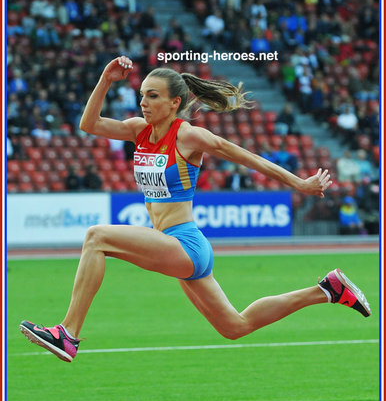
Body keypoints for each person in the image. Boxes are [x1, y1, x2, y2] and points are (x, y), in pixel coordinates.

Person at [20, 55, 371, 362]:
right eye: (141, 94)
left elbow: (245, 156)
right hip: (174, 246)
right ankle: (328, 289)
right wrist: (105, 80)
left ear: (175, 103)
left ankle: (68, 333)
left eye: (152, 96)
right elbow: (88, 125)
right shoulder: (138, 130)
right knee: (236, 326)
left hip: (184, 244)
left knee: (97, 237)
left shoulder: (188, 136)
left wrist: (299, 182)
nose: (143, 102)